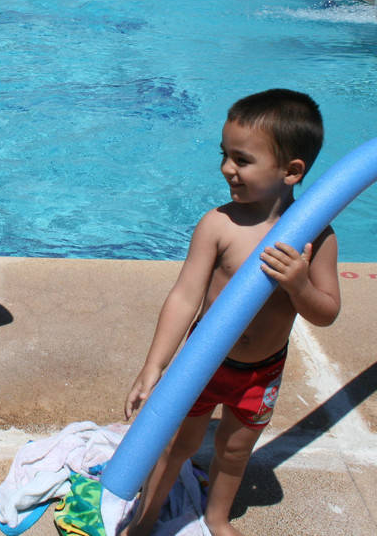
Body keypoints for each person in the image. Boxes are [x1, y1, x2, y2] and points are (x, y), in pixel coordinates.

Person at [120, 89, 341, 536]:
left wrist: (298, 285)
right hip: (201, 362)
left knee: (236, 450)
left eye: (241, 160)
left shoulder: (317, 237)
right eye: (225, 155)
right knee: (175, 446)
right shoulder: (218, 224)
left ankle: (216, 518)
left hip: (262, 372)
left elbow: (327, 312)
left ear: (291, 171)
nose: (226, 169)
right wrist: (154, 365)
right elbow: (185, 297)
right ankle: (145, 521)